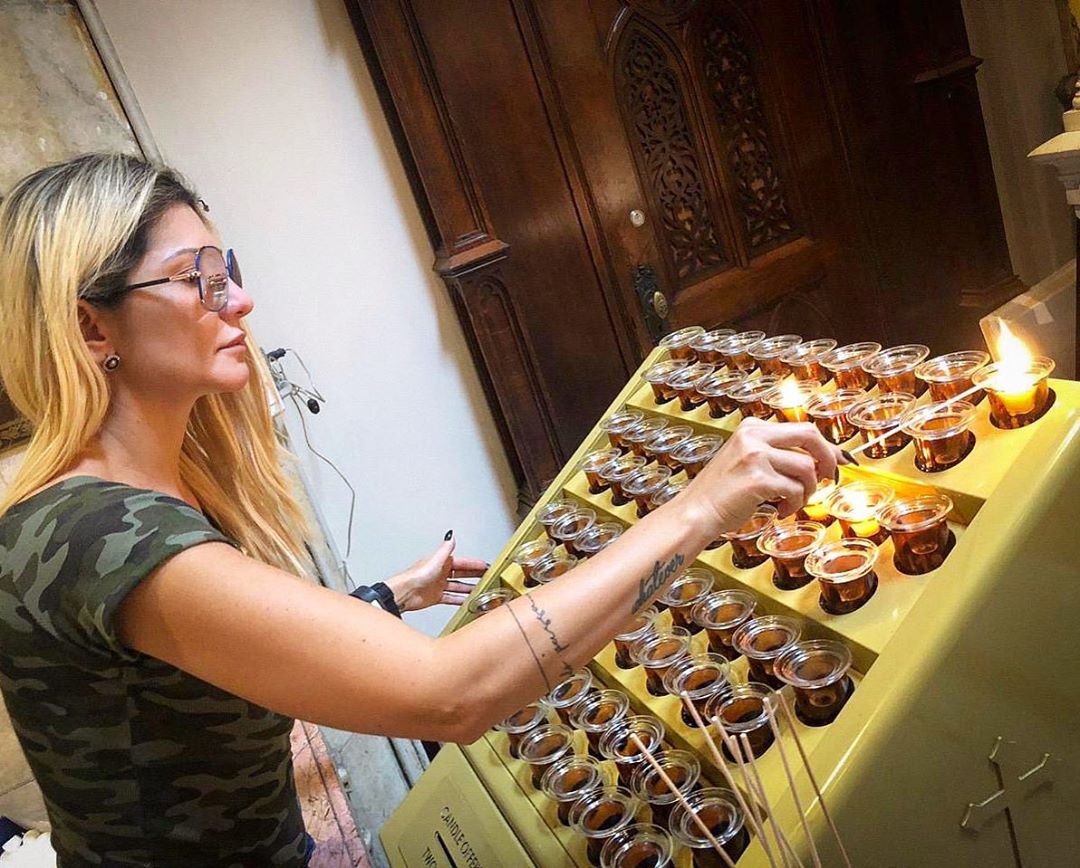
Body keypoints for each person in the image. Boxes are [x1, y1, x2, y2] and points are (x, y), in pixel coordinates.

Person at [0, 154, 843, 867]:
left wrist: (388, 599)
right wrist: (695, 510)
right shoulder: (102, 535)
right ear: (88, 328)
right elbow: (448, 697)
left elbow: (220, 655)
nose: (241, 305)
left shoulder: (126, 499)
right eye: (201, 281)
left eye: (232, 274)